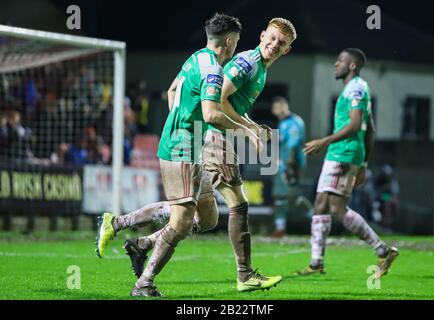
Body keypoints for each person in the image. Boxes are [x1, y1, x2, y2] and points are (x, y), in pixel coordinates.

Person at [96, 17, 297, 293]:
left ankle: (135, 237)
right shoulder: (246, 63)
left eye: (281, 43)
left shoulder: (239, 64)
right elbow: (218, 104)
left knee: (207, 218)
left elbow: (175, 90)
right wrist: (241, 130)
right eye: (272, 38)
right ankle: (244, 274)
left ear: (287, 49)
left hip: (199, 138)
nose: (274, 45)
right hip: (214, 137)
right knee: (235, 204)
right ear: (261, 36)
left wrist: (184, 126)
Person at [296, 48, 398, 279]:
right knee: (321, 204)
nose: (335, 64)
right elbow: (370, 129)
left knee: (337, 208)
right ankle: (316, 263)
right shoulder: (357, 88)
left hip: (343, 153)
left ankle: (382, 250)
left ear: (352, 66)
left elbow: (354, 125)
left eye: (340, 61)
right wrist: (363, 164)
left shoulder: (356, 89)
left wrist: (324, 141)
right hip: (344, 153)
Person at [270, 96, 307, 238]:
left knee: (292, 197)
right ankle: (280, 228)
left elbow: (292, 146)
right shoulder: (284, 122)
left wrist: (290, 167)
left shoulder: (292, 123)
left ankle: (316, 217)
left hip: (291, 166)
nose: (275, 112)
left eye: (277, 108)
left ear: (283, 106)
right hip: (285, 165)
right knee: (282, 196)